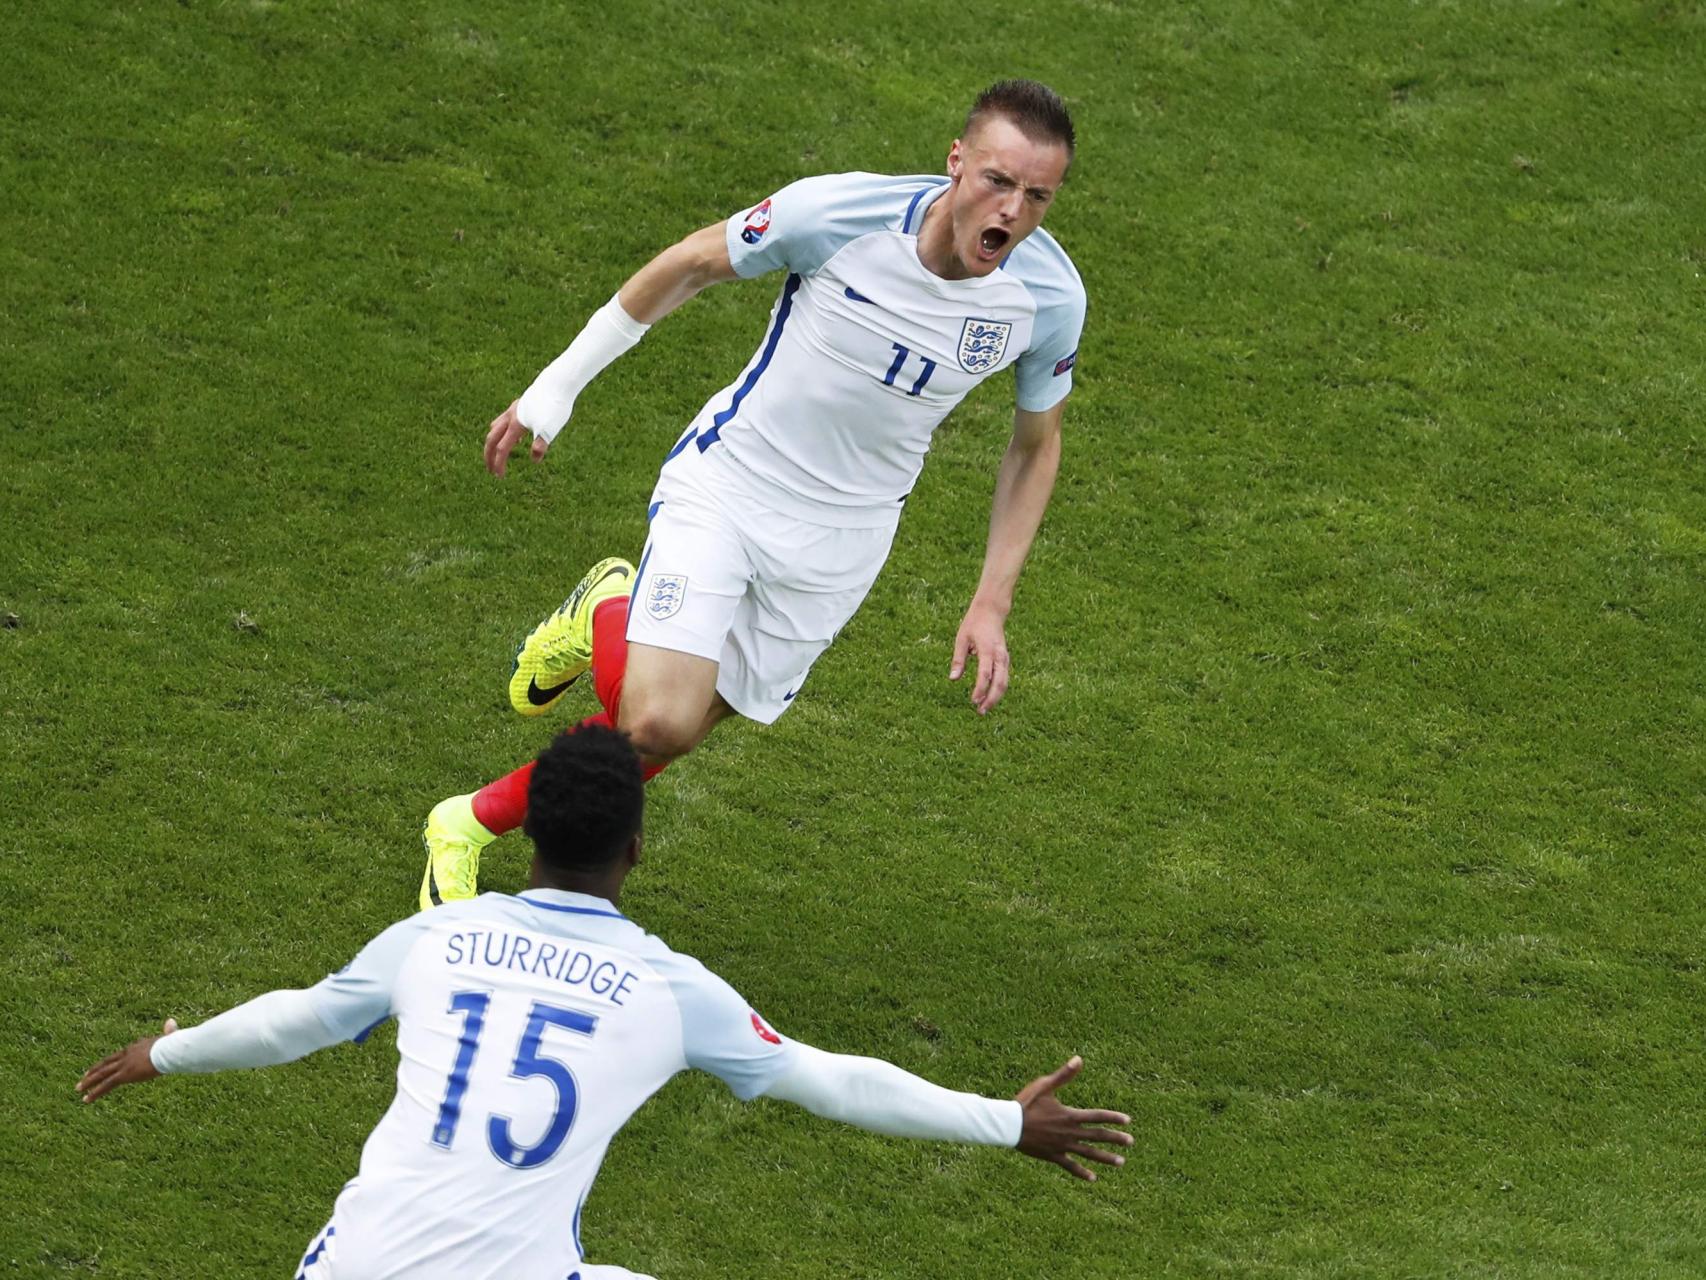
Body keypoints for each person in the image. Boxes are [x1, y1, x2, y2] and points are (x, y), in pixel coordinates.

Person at [80, 725, 1133, 1280]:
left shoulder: (433, 940)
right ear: (635, 845)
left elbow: (296, 1017)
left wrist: (157, 1054)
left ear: (525, 833)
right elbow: (833, 1080)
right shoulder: (672, 994)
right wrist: (1006, 1120)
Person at [420, 79, 1086, 909]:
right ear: (956, 162)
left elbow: (1036, 443)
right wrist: (557, 387)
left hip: (842, 547)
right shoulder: (834, 216)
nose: (1012, 211)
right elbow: (695, 262)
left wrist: (991, 600)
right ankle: (503, 768)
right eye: (997, 180)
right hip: (732, 485)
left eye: (1037, 196)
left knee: (670, 737)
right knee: (655, 722)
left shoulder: (1048, 300)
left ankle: (478, 801)